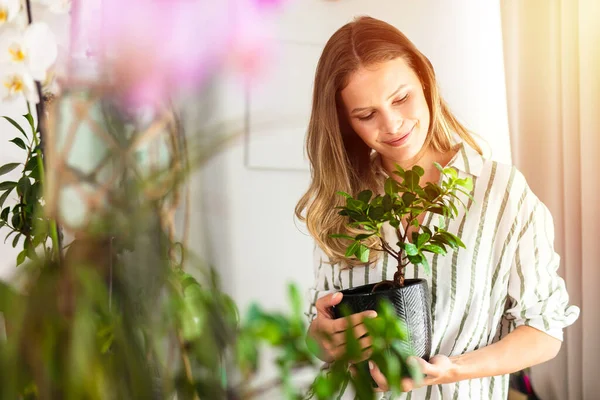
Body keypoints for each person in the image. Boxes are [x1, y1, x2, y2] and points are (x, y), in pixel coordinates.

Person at [295, 16, 580, 400]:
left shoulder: (500, 193)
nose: (393, 124)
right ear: (346, 123)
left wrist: (453, 370)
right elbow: (320, 337)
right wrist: (322, 338)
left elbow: (545, 332)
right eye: (366, 115)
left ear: (425, 82)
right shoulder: (343, 203)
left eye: (401, 98)